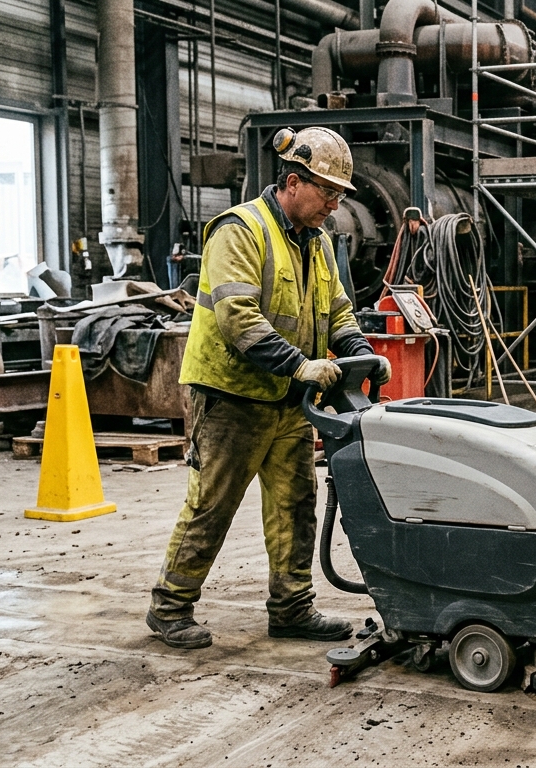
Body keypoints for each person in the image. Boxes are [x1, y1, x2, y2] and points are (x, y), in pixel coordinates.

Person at [146, 127, 392, 649]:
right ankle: (169, 607)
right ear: (293, 182)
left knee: (295, 505)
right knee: (213, 504)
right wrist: (300, 365)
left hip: (287, 402)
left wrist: (359, 354)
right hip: (231, 396)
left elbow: (338, 311)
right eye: (328, 192)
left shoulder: (319, 242)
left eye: (340, 195)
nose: (335, 204)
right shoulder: (241, 230)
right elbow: (238, 318)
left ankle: (291, 609)